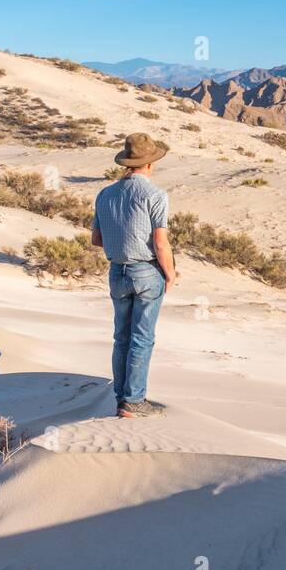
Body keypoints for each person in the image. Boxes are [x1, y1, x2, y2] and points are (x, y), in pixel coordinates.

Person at [91, 132, 177, 418]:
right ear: (150, 165)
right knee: (142, 338)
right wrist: (170, 272)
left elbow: (97, 240)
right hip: (146, 271)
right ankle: (133, 400)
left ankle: (121, 397)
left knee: (122, 337)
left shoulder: (105, 194)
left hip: (116, 272)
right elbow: (161, 242)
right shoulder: (155, 195)